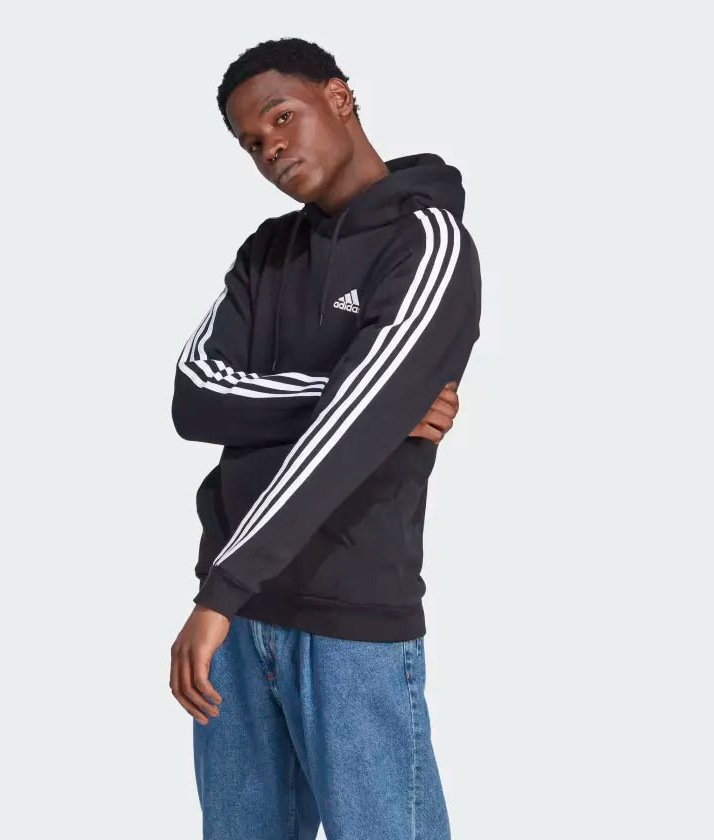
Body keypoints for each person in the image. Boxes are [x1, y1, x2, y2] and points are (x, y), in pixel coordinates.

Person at [169, 37, 481, 840]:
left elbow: (347, 440)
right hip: (237, 625)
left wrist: (219, 594)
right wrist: (363, 396)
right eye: (251, 142)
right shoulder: (266, 254)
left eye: (281, 118)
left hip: (347, 621)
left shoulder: (428, 242)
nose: (270, 148)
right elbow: (196, 396)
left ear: (338, 98)